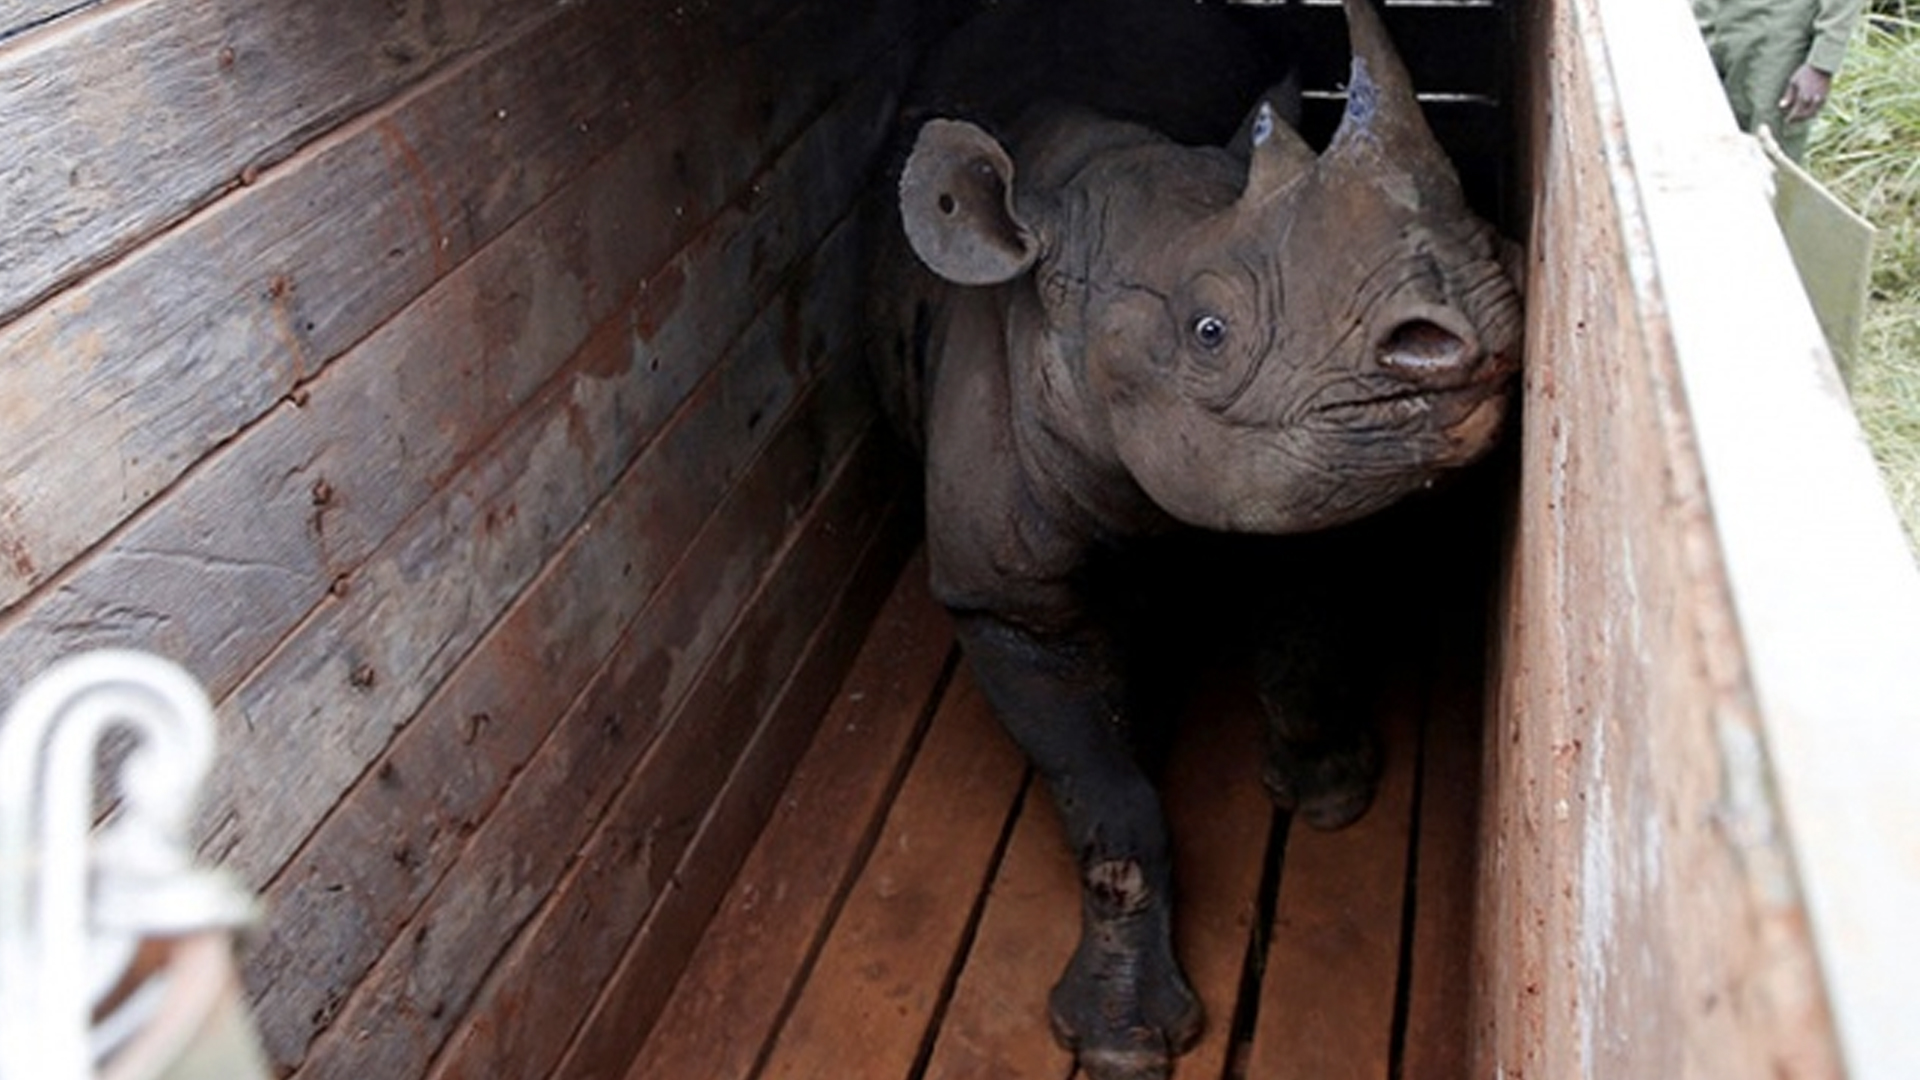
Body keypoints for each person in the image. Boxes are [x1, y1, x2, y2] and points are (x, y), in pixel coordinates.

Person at [1693, 0, 1864, 161]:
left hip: (1777, 38)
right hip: (1705, 21)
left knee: (1769, 154)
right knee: (1700, 147)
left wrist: (1821, 63)